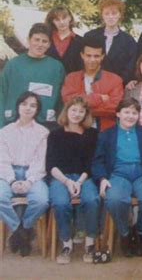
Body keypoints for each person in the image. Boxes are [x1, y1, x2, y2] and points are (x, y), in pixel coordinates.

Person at [91, 98, 142, 257]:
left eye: (134, 113)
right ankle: (124, 234)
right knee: (115, 199)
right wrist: (102, 178)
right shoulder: (106, 135)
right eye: (126, 112)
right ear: (118, 114)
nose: (130, 116)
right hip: (118, 174)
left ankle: (140, 232)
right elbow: (97, 160)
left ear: (139, 115)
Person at [46, 97, 99, 264]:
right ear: (66, 111)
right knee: (61, 203)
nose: (77, 114)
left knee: (92, 200)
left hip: (84, 177)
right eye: (73, 110)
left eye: (81, 111)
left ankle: (90, 243)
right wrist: (67, 182)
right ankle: (66, 243)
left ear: (86, 114)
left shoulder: (92, 134)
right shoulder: (55, 134)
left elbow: (92, 163)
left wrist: (79, 182)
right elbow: (51, 164)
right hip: (61, 178)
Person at [0, 92, 49, 256]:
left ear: (37, 110)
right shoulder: (5, 131)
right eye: (24, 104)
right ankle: (18, 229)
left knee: (42, 200)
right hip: (8, 172)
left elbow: (40, 162)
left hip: (33, 173)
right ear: (18, 106)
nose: (28, 108)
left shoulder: (43, 132)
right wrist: (12, 180)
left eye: (33, 105)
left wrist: (29, 181)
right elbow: (2, 160)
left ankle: (26, 226)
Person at [0, 23, 65, 128]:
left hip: (46, 124)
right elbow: (1, 95)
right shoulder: (13, 65)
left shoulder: (56, 67)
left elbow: (61, 99)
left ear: (49, 44)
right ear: (29, 40)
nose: (40, 44)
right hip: (14, 123)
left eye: (44, 41)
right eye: (37, 39)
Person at [61, 37, 124, 131]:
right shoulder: (71, 78)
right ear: (82, 55)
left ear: (102, 56)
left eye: (96, 56)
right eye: (88, 55)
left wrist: (81, 107)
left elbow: (114, 108)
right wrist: (99, 98)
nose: (92, 60)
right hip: (74, 130)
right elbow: (68, 101)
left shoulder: (115, 80)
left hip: (104, 131)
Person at [84, 0, 137, 84]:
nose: (110, 17)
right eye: (107, 13)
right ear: (102, 15)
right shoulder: (90, 36)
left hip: (117, 87)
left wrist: (115, 83)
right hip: (91, 85)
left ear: (120, 14)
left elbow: (130, 67)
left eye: (114, 13)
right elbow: (83, 62)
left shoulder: (128, 41)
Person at [45, 5, 83, 73]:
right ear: (52, 21)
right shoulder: (46, 39)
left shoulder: (80, 42)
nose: (61, 22)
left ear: (70, 18)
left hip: (71, 82)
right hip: (47, 81)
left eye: (64, 18)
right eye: (57, 19)